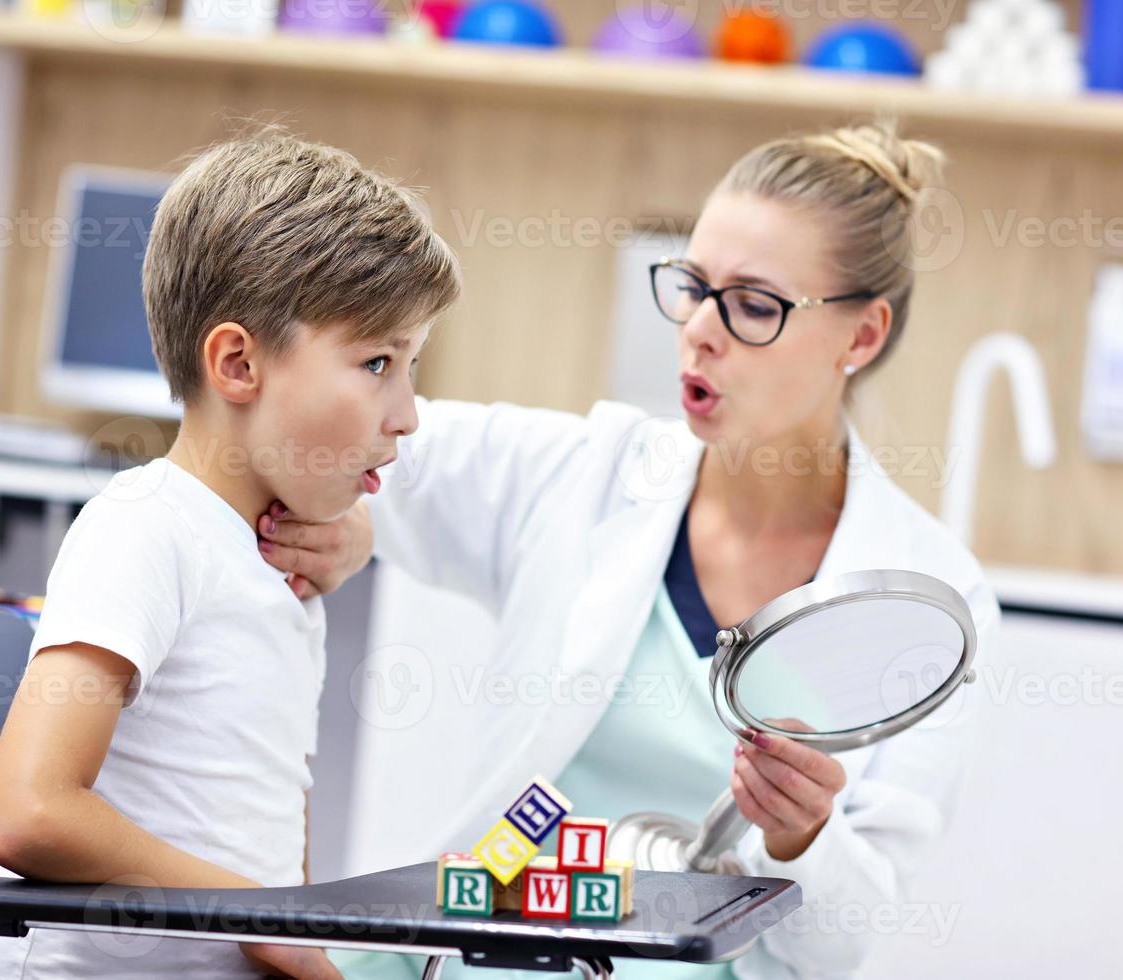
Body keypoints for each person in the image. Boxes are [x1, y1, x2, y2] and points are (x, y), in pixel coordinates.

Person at [256, 121, 1001, 978]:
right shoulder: (590, 474)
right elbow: (330, 432)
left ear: (861, 337)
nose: (698, 331)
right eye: (691, 286)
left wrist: (803, 838)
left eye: (753, 305)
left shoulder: (929, 590)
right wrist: (350, 510)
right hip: (475, 955)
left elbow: (840, 946)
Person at [0, 131, 459, 980]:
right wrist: (264, 924)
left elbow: (264, 833)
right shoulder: (145, 528)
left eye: (410, 366)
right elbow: (28, 811)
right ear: (237, 362)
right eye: (377, 362)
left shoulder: (276, 565)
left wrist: (282, 934)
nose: (407, 413)